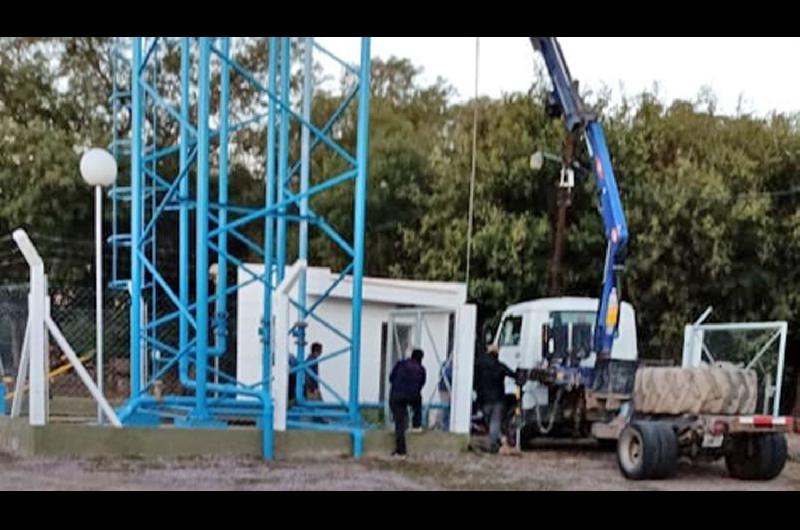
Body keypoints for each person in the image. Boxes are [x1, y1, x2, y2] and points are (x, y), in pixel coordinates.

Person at [474, 344, 516, 453]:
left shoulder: (479, 365)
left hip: (484, 399)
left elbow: (475, 379)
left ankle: (497, 441)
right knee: (495, 422)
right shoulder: (499, 366)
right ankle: (494, 444)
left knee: (488, 420)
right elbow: (512, 374)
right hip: (498, 398)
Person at [389, 348, 426, 457]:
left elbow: (391, 378)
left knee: (399, 424)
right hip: (412, 396)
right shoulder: (421, 369)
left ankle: (401, 451)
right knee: (418, 399)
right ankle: (417, 425)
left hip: (397, 395)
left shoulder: (401, 364)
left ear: (411, 356)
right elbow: (421, 384)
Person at [437, 360, 453, 430]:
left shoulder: (447, 365)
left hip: (448, 389)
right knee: (445, 408)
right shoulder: (446, 365)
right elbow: (448, 375)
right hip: (445, 390)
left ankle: (445, 424)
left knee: (446, 408)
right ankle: (442, 425)